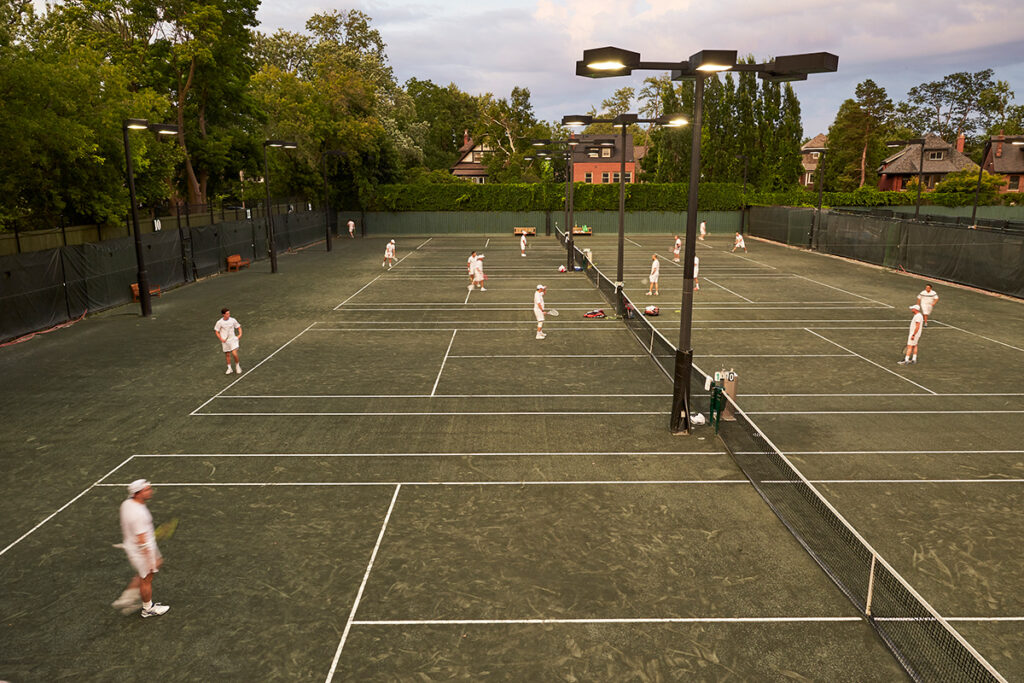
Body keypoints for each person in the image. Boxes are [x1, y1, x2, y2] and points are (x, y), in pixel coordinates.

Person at [111, 479, 169, 618]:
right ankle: (147, 609)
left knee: (152, 569)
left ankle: (127, 598)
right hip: (141, 550)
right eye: (147, 490)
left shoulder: (127, 504)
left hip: (134, 546)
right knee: (146, 579)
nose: (150, 491)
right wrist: (149, 559)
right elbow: (141, 539)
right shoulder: (138, 514)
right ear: (137, 493)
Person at [214, 308, 242, 375]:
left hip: (233, 340)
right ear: (223, 314)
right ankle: (229, 368)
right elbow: (216, 331)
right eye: (227, 314)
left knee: (234, 354)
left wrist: (240, 334)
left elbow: (238, 327)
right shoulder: (219, 322)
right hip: (225, 341)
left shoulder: (233, 320)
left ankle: (237, 366)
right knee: (227, 355)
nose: (228, 314)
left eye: (229, 313)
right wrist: (221, 339)